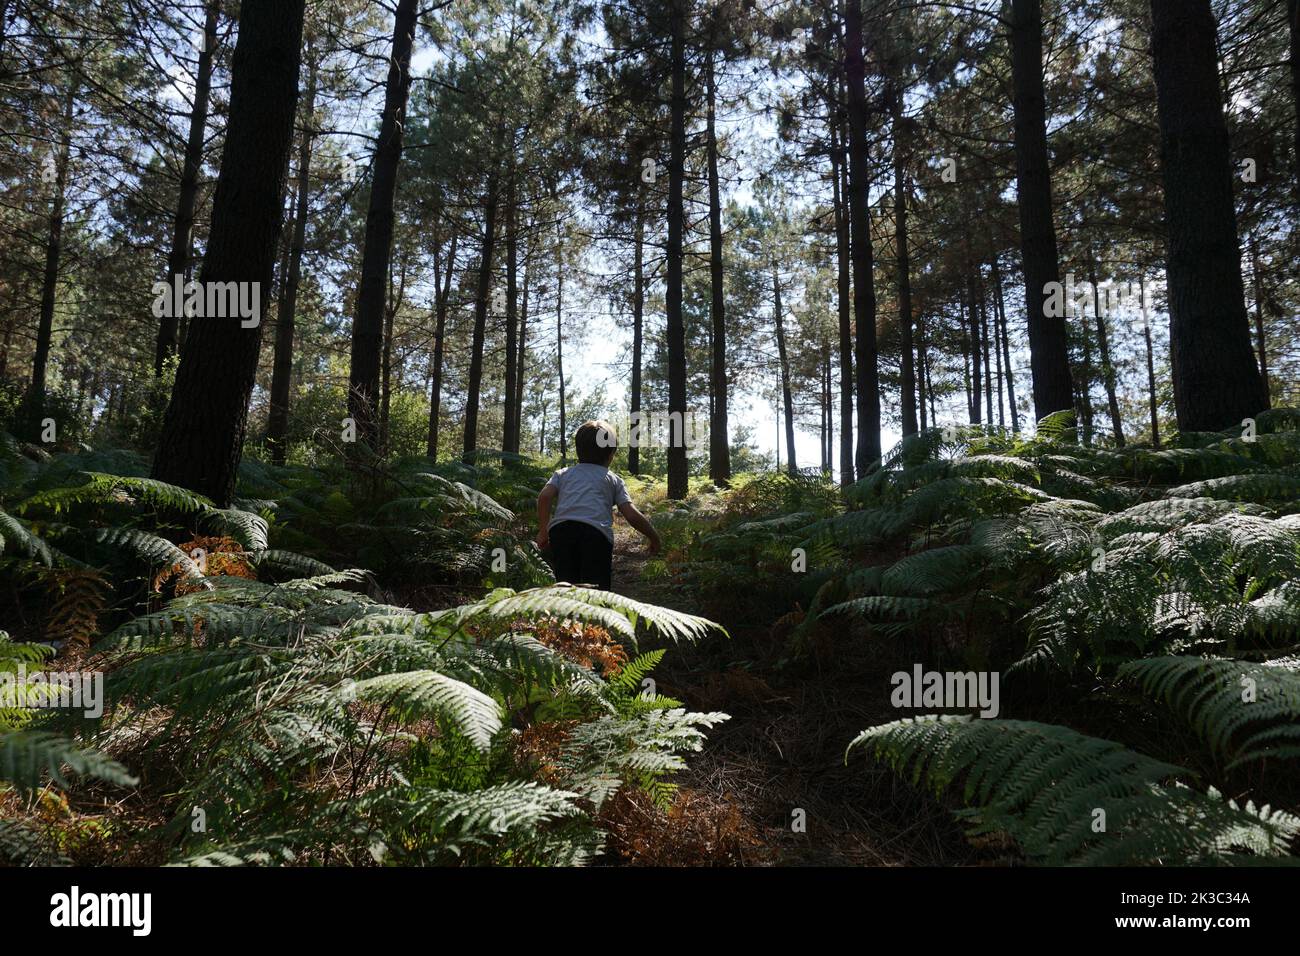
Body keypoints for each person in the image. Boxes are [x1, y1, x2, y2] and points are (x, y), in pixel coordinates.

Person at [535, 419, 661, 591]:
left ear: (578, 450)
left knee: (565, 584)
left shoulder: (563, 474)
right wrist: (654, 537)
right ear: (611, 455)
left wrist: (543, 531)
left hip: (561, 532)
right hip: (596, 535)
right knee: (596, 590)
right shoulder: (613, 480)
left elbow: (544, 497)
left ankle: (568, 616)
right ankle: (593, 617)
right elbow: (630, 514)